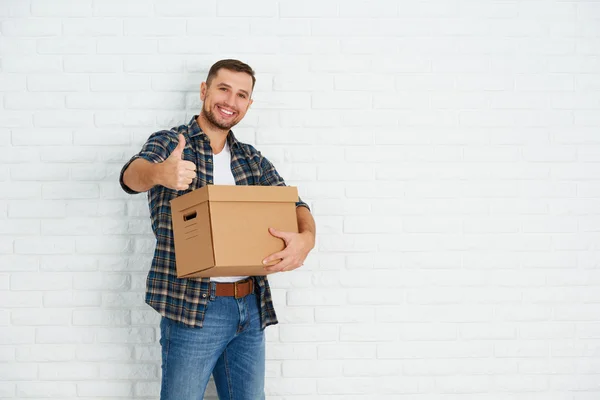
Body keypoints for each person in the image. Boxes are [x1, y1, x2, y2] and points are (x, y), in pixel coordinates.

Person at [119, 59, 316, 400]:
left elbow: (295, 203)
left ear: (249, 104)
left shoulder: (250, 158)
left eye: (242, 95)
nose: (231, 101)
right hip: (194, 307)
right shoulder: (171, 143)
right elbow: (130, 175)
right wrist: (160, 174)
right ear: (204, 91)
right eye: (224, 89)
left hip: (249, 307)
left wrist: (306, 239)